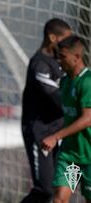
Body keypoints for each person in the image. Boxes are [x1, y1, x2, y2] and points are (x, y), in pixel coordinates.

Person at [21, 18, 71, 203]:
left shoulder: (62, 63)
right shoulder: (40, 65)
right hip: (40, 134)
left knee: (64, 189)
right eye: (64, 39)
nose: (67, 45)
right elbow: (59, 98)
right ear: (52, 38)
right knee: (45, 189)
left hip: (60, 133)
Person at [42, 35, 91, 203]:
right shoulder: (64, 83)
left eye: (62, 57)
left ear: (76, 57)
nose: (59, 61)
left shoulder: (87, 82)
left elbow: (88, 119)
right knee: (60, 200)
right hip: (70, 157)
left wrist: (56, 136)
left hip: (89, 155)